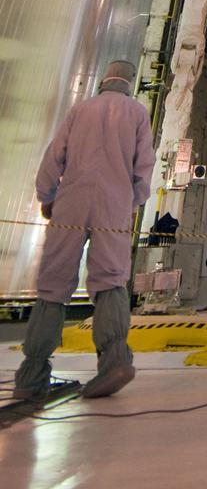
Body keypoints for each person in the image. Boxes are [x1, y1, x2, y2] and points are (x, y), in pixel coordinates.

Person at [14, 60, 156, 402]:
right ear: (130, 82)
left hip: (72, 202)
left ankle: (32, 374)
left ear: (104, 79)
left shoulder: (81, 110)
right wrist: (128, 202)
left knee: (53, 283)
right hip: (113, 204)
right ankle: (114, 362)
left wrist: (47, 198)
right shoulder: (137, 113)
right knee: (110, 279)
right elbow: (144, 168)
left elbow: (54, 158)